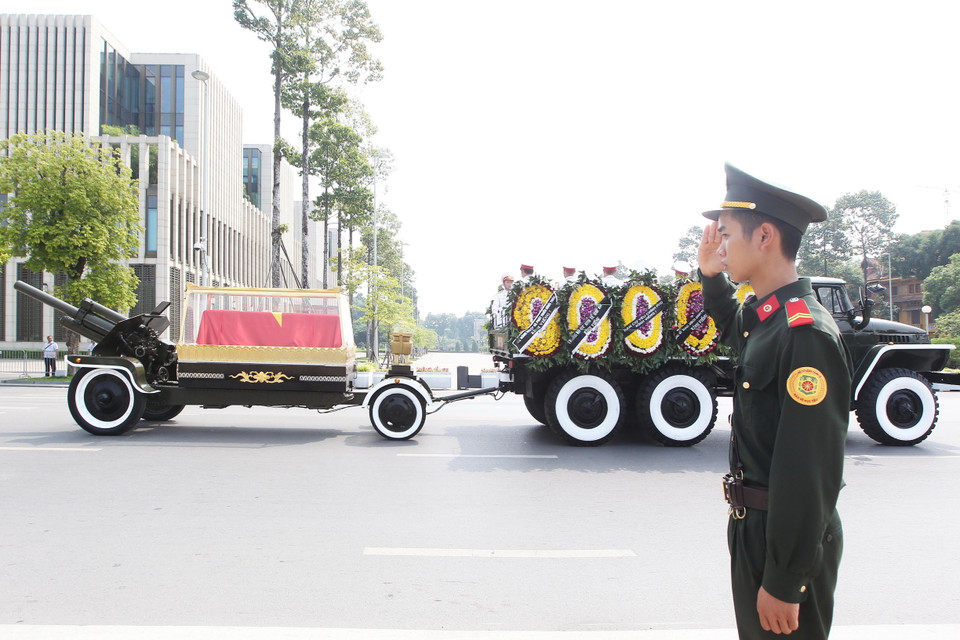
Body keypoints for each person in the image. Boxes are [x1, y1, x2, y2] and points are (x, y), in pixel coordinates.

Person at [697, 163, 850, 639]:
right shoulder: (767, 318)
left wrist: (785, 578)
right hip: (755, 527)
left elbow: (809, 468)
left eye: (726, 235)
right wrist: (710, 276)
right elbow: (732, 323)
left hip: (786, 538)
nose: (720, 247)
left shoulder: (805, 334)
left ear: (764, 236)